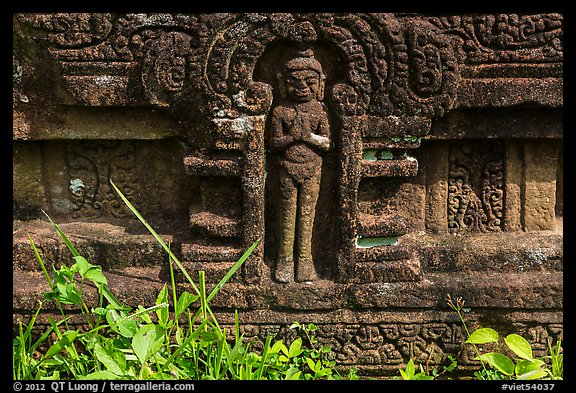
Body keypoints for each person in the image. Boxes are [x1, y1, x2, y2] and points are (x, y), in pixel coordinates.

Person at [268, 48, 331, 283]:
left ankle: (305, 261)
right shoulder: (281, 111)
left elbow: (327, 142)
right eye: (294, 82)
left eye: (309, 81)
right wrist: (293, 137)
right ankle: (284, 261)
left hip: (312, 166)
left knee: (307, 214)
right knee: (287, 213)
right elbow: (274, 142)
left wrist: (309, 138)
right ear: (284, 84)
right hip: (287, 166)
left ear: (319, 85)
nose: (302, 87)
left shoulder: (319, 111)